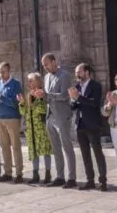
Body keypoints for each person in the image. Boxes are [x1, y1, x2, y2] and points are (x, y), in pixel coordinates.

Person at [70, 63, 107, 191]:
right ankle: (90, 180)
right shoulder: (76, 87)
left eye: (79, 72)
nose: (77, 75)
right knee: (85, 154)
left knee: (97, 152)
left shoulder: (96, 86)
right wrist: (73, 100)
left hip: (92, 123)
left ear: (87, 72)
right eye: (76, 73)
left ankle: (103, 181)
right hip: (80, 124)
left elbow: (95, 103)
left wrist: (78, 97)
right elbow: (73, 107)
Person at [41, 53, 76, 188]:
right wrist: (41, 95)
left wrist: (47, 95)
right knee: (56, 148)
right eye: (44, 65)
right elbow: (47, 96)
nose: (45, 67)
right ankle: (60, 176)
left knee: (67, 147)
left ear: (54, 61)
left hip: (62, 116)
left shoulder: (65, 75)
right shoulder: (46, 77)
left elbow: (63, 95)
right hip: (50, 116)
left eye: (47, 64)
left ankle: (71, 178)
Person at [0, 62, 24, 183]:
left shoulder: (16, 84)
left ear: (9, 71)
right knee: (4, 147)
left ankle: (19, 173)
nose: (1, 74)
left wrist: (0, 98)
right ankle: (7, 172)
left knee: (15, 146)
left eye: (3, 71)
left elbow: (15, 103)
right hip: (0, 118)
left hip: (12, 118)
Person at [18, 71, 51, 185]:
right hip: (31, 129)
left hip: (41, 128)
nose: (29, 83)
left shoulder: (42, 94)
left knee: (45, 151)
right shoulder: (29, 94)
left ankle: (48, 174)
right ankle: (35, 174)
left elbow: (42, 110)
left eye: (31, 80)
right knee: (34, 152)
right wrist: (22, 103)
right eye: (28, 81)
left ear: (38, 81)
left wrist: (35, 102)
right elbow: (24, 112)